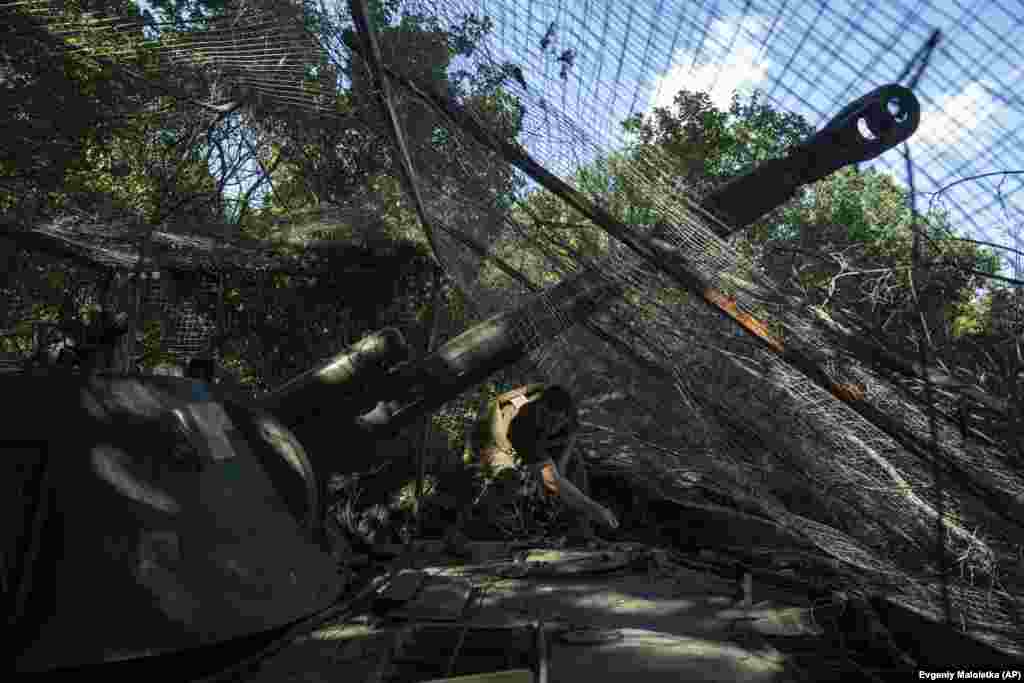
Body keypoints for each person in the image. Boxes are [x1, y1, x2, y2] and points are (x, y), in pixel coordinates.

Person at [471, 383, 619, 532]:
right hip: (496, 440)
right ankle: (491, 518)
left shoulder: (564, 409)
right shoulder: (523, 425)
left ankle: (580, 529)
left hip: (537, 435)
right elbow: (552, 480)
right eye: (545, 417)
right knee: (511, 477)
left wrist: (562, 467)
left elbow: (571, 437)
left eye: (555, 421)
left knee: (574, 462)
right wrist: (595, 509)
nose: (549, 425)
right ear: (538, 407)